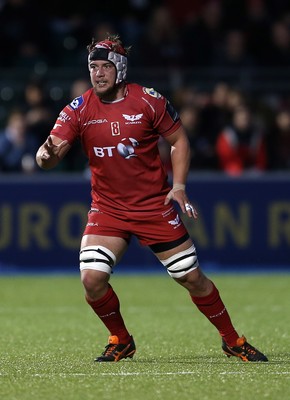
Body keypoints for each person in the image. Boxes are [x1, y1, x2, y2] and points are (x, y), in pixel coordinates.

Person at [36, 34, 268, 363]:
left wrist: (180, 186)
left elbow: (179, 141)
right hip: (108, 209)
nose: (98, 74)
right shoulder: (79, 108)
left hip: (153, 207)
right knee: (92, 279)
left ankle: (232, 340)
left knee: (192, 278)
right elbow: (47, 157)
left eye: (104, 67)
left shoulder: (148, 100)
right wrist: (46, 154)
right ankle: (121, 339)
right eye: (93, 67)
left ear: (120, 70)